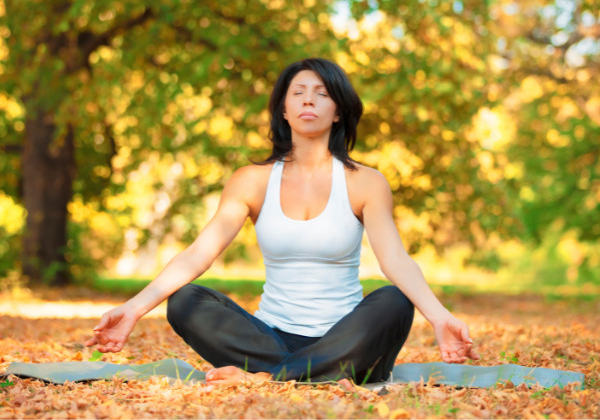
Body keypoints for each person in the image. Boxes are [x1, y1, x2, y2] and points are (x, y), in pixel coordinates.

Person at [85, 58, 479, 386]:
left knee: (394, 300)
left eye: (322, 94)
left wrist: (440, 316)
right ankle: (304, 372)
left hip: (347, 339)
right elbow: (198, 254)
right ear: (284, 110)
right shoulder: (251, 181)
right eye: (299, 93)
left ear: (338, 110)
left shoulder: (366, 182)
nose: (310, 101)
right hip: (268, 338)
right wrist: (135, 308)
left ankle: (267, 378)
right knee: (186, 300)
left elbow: (396, 260)